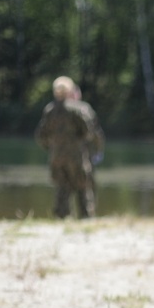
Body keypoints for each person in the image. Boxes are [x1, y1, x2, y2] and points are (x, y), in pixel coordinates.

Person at [34, 76, 102, 220]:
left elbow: (40, 135)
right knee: (83, 187)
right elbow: (88, 130)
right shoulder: (77, 109)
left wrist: (51, 147)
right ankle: (86, 218)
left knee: (62, 188)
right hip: (76, 156)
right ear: (70, 90)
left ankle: (62, 218)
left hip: (56, 156)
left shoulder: (49, 109)